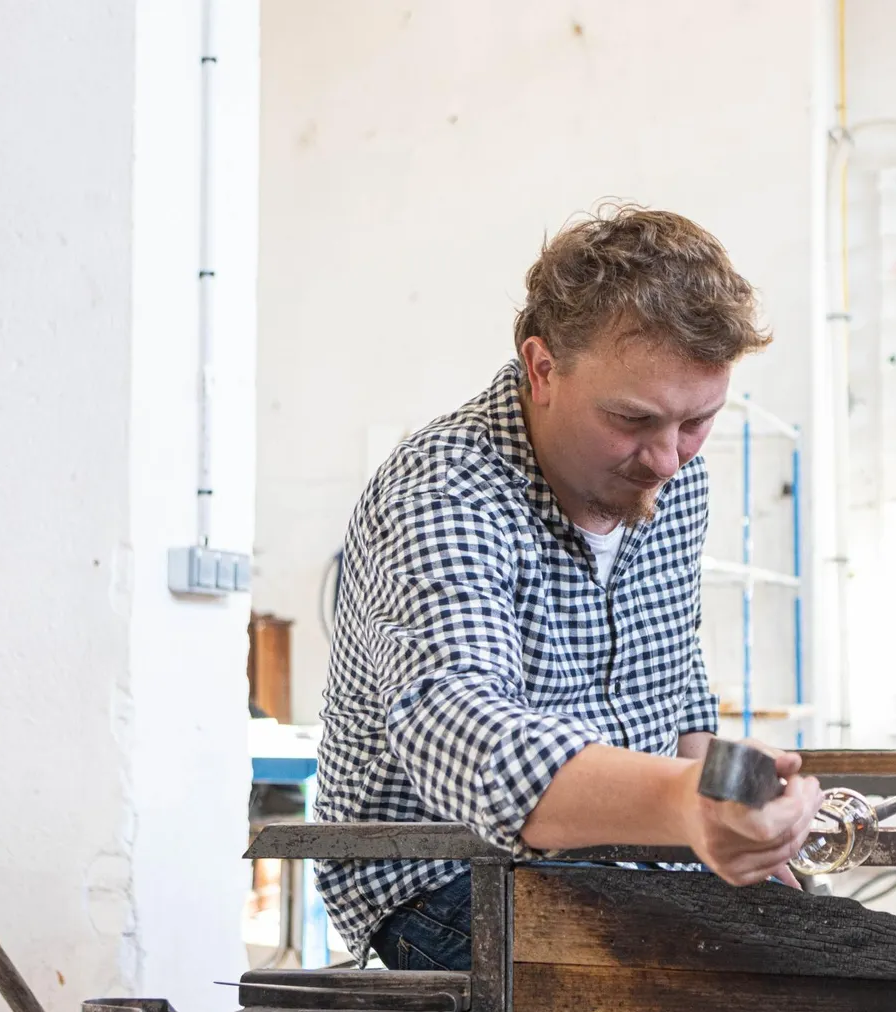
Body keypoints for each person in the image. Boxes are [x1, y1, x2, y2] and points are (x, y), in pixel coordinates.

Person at [313, 206, 822, 971]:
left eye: (697, 422)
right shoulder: (447, 489)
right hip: (449, 879)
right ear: (543, 368)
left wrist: (736, 799)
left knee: (851, 971)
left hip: (634, 859)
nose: (665, 459)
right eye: (632, 419)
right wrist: (683, 803)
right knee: (736, 1004)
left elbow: (675, 704)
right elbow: (466, 733)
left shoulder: (674, 486)